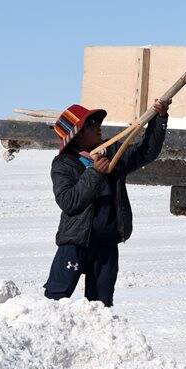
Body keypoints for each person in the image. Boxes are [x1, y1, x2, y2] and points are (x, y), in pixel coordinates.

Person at [43, 99, 170, 305]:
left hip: (106, 243)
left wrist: (160, 119)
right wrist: (94, 173)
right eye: (91, 124)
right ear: (78, 134)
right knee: (56, 299)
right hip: (76, 242)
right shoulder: (63, 164)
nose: (98, 127)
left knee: (101, 305)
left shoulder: (112, 153)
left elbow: (147, 152)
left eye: (97, 122)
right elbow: (69, 202)